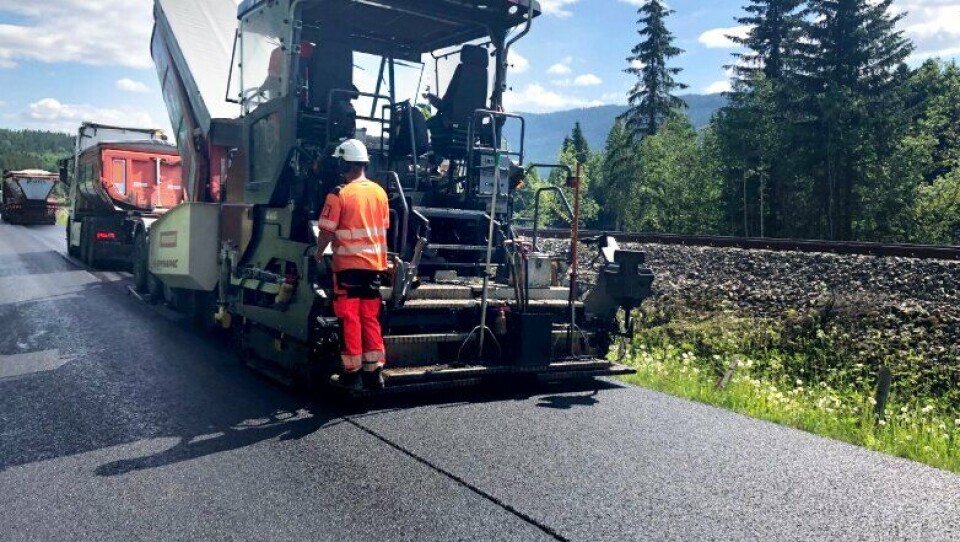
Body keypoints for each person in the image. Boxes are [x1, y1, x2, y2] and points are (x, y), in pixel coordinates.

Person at [315, 139, 390, 390]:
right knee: (370, 316)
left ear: (343, 164)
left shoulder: (339, 194)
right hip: (374, 268)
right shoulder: (380, 193)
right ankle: (374, 370)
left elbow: (326, 231)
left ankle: (352, 373)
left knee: (350, 318)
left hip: (347, 267)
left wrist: (317, 253)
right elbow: (382, 227)